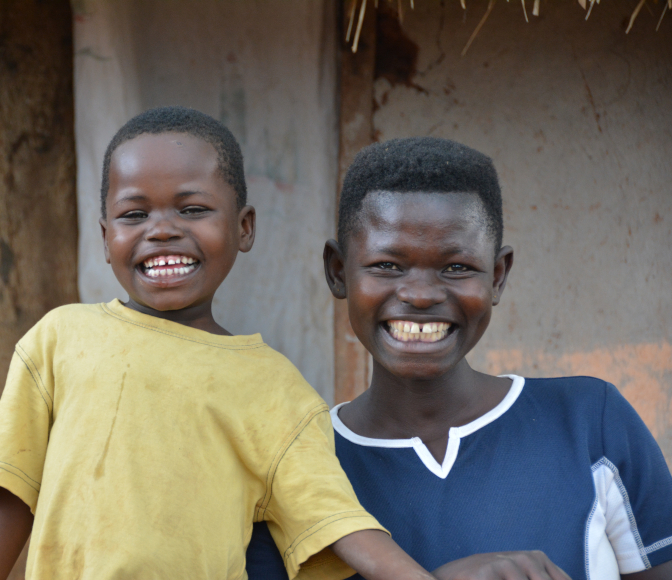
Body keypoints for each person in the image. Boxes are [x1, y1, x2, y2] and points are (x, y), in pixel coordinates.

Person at [0, 107, 451, 580]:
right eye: (134, 214)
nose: (163, 230)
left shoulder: (273, 387)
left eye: (193, 209)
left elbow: (338, 519)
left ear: (243, 228)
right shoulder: (60, 338)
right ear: (105, 237)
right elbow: (12, 489)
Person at [245, 137, 672, 580]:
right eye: (388, 265)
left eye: (457, 268)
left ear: (498, 276)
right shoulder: (300, 465)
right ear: (338, 271)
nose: (421, 295)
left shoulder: (588, 422)